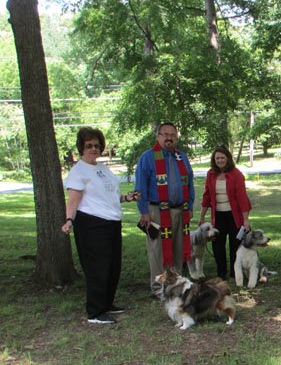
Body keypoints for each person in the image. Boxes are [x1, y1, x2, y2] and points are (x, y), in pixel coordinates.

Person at [61, 128, 139, 324]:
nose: (93, 149)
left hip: (111, 222)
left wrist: (127, 198)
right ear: (82, 148)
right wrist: (69, 220)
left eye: (96, 145)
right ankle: (95, 312)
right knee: (98, 267)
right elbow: (73, 200)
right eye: (89, 146)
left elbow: (109, 196)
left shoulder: (102, 169)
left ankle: (107, 303)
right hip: (91, 224)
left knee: (113, 266)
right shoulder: (78, 171)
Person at [135, 122, 195, 297]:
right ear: (158, 136)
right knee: (158, 252)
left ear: (176, 137)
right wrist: (144, 212)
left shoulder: (181, 157)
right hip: (156, 211)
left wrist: (190, 206)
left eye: (172, 134)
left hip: (179, 210)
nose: (169, 137)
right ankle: (159, 288)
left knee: (177, 249)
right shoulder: (147, 158)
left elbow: (189, 182)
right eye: (165, 134)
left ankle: (176, 286)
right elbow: (140, 187)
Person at [199, 145, 252, 279]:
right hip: (218, 216)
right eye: (217, 158)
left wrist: (245, 220)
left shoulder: (236, 174)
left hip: (234, 215)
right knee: (217, 245)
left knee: (235, 244)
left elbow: (242, 198)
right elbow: (206, 196)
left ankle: (235, 273)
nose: (220, 160)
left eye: (222, 157)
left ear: (228, 158)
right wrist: (202, 216)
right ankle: (221, 273)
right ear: (214, 159)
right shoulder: (211, 173)